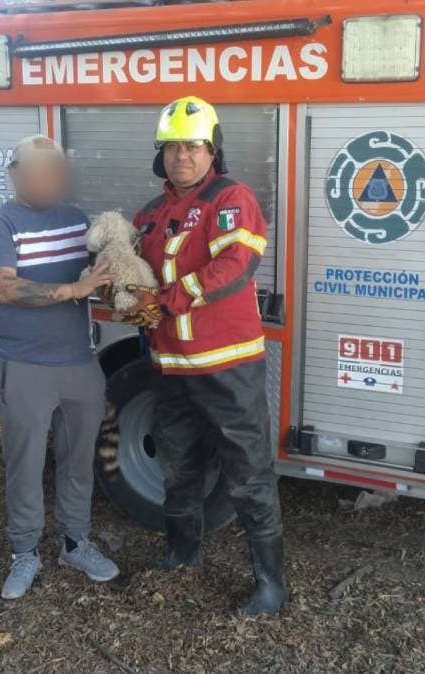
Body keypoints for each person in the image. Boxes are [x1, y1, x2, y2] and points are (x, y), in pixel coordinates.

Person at [124, 95, 287, 615]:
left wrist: (163, 301)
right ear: (160, 154)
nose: (182, 156)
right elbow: (134, 276)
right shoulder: (149, 214)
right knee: (178, 468)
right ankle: (182, 553)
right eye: (171, 147)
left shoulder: (232, 198)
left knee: (248, 475)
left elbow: (233, 267)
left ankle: (270, 585)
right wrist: (123, 294)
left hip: (228, 366)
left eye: (193, 145)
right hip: (171, 366)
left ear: (212, 149)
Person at [0, 135, 119, 600]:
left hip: (79, 361)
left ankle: (75, 542)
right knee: (26, 462)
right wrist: (71, 292)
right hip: (26, 364)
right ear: (15, 173)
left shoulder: (76, 220)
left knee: (79, 458)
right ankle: (25, 552)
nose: (52, 180)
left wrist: (113, 285)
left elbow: (93, 281)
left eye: (57, 170)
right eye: (42, 171)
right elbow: (6, 290)